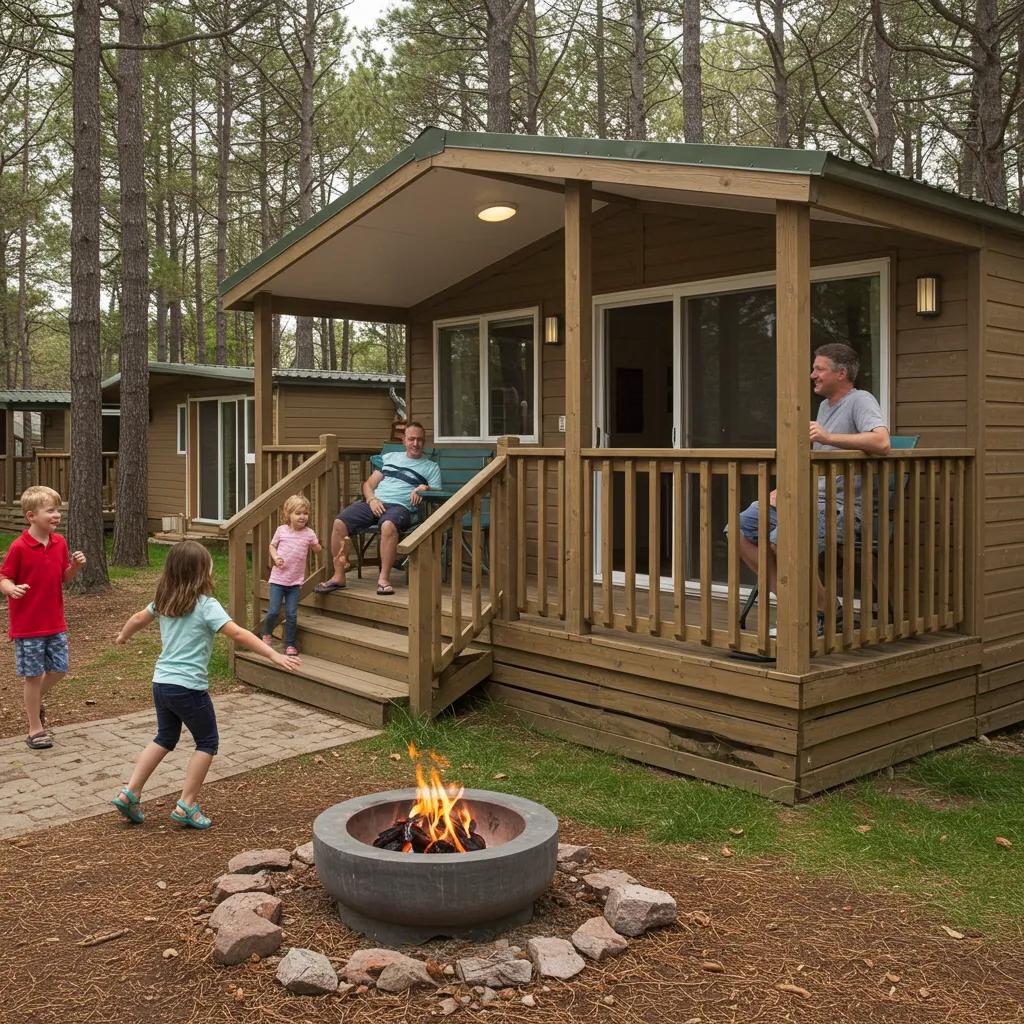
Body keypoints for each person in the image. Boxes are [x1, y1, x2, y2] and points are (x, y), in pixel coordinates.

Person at [110, 540, 299, 829]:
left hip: (161, 683)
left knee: (164, 737)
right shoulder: (206, 605)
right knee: (207, 741)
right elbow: (237, 633)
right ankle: (187, 804)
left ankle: (130, 792)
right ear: (201, 572)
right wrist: (273, 653)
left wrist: (124, 636)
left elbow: (138, 618)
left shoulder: (164, 601)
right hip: (188, 687)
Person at [735, 342, 890, 633]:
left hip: (842, 509)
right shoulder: (823, 406)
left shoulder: (861, 400)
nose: (812, 375)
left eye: (818, 369)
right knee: (739, 531)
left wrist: (829, 437)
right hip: (809, 500)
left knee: (783, 539)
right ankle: (816, 608)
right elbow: (813, 463)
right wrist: (787, 488)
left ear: (841, 373)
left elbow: (882, 442)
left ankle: (811, 615)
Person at [1, 485, 86, 750]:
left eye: (58, 510)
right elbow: (4, 577)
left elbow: (63, 577)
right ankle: (34, 729)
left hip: (55, 622)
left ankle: (34, 701)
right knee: (33, 677)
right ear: (31, 516)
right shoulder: (19, 547)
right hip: (28, 625)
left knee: (59, 669)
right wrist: (11, 589)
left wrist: (75, 567)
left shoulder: (60, 543)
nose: (57, 515)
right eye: (50, 510)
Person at [314, 421, 441, 597]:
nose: (415, 444)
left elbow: (436, 491)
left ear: (424, 442)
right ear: (404, 440)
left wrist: (424, 488)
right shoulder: (390, 458)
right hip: (375, 503)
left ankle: (383, 579)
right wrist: (372, 499)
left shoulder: (430, 466)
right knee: (339, 523)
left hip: (401, 507)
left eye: (419, 440)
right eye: (411, 439)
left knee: (387, 526)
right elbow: (368, 484)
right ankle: (339, 575)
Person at [261, 494, 322, 655]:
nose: (302, 517)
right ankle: (266, 633)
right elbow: (272, 546)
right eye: (298, 513)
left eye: (305, 513)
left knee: (292, 614)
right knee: (274, 610)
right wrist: (276, 557)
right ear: (288, 515)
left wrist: (317, 547)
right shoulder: (282, 531)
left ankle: (289, 644)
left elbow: (317, 549)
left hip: (295, 582)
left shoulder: (309, 533)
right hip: (278, 580)